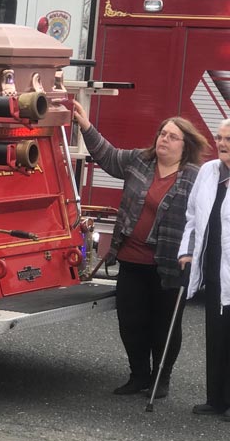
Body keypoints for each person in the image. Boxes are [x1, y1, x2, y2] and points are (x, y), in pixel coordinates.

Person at [72, 100, 207, 398]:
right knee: (131, 322)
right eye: (162, 134)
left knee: (164, 326)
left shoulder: (195, 178)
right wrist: (85, 125)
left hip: (169, 266)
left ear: (185, 146)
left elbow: (205, 218)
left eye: (172, 137)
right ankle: (138, 375)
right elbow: (107, 155)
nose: (164, 140)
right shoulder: (138, 162)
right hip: (131, 260)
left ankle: (161, 379)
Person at [178, 119, 230, 420]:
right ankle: (216, 399)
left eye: (228, 139)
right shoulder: (209, 172)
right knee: (216, 335)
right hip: (212, 268)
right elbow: (193, 217)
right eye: (219, 138)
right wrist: (186, 251)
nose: (222, 143)